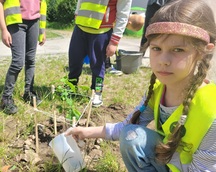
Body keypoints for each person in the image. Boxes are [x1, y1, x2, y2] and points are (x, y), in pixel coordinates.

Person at [65, 0, 216, 171]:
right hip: (172, 163)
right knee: (133, 136)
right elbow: (128, 126)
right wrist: (87, 132)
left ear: (204, 51)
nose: (163, 61)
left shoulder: (212, 111)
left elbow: (204, 168)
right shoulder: (159, 90)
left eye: (178, 50)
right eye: (157, 48)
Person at [68, 0, 132, 107]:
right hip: (80, 28)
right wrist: (77, 12)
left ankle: (97, 92)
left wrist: (114, 41)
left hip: (101, 33)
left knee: (98, 67)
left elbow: (123, 15)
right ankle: (71, 87)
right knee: (74, 61)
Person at [0, 0, 47, 114]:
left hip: (34, 22)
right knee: (18, 62)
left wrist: (42, 30)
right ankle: (6, 98)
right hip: (16, 22)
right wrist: (4, 30)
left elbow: (42, 4)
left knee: (30, 60)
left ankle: (28, 93)